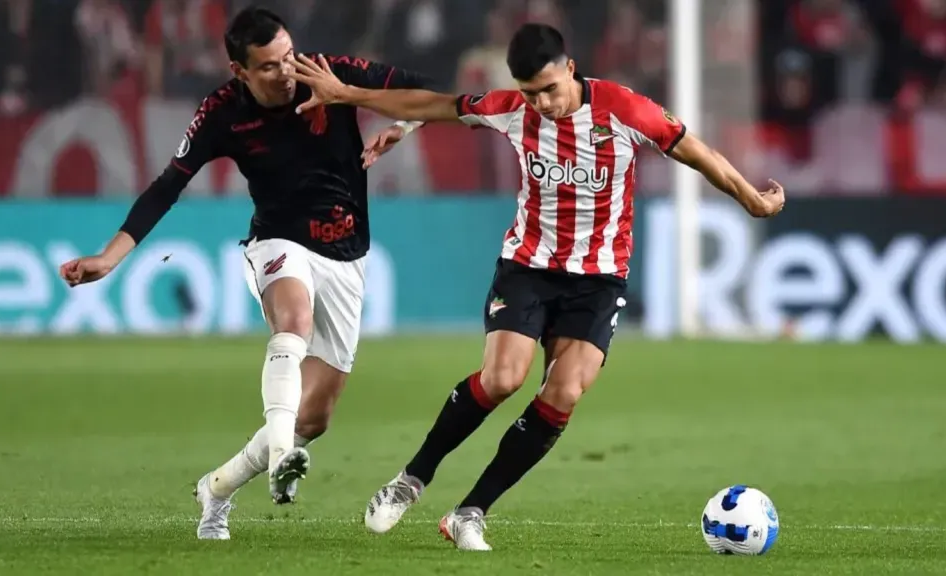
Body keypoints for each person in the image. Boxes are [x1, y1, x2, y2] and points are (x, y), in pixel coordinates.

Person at [289, 23, 786, 551]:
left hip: (598, 278)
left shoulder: (624, 110)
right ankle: (411, 479)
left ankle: (470, 512)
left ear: (570, 69)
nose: (542, 103)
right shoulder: (510, 108)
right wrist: (352, 97)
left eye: (549, 89)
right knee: (503, 378)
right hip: (528, 266)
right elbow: (438, 104)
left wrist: (750, 198)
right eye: (530, 93)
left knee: (564, 391)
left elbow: (697, 151)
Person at [57, 7, 433, 540]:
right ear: (240, 72)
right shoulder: (222, 112)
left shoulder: (328, 71)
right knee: (294, 320)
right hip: (278, 242)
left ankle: (216, 488)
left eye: (288, 57)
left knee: (315, 419)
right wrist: (110, 257)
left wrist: (396, 121)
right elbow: (168, 185)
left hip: (348, 255)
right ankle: (283, 458)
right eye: (270, 67)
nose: (286, 73)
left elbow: (429, 89)